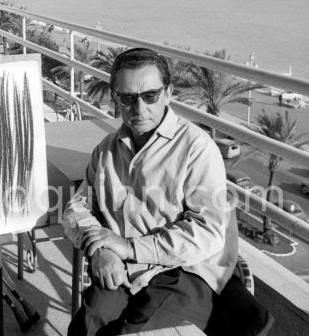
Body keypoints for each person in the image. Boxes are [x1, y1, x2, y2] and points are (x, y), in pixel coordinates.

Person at [63, 48, 239, 335]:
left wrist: (129, 247)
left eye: (150, 96)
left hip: (184, 271)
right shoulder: (106, 149)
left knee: (130, 330)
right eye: (127, 98)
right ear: (115, 97)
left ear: (168, 93)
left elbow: (207, 233)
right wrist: (98, 250)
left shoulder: (196, 148)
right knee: (87, 325)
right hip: (126, 267)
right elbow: (77, 209)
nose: (139, 108)